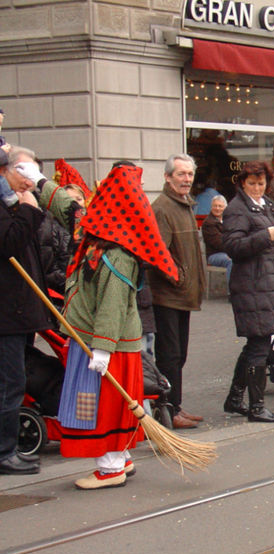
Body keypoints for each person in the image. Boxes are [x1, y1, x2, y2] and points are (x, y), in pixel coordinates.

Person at [57, 165, 180, 488]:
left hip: (105, 345)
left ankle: (110, 465)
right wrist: (40, 184)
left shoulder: (117, 252)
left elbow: (111, 305)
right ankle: (121, 458)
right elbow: (67, 211)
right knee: (104, 404)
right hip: (104, 343)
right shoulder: (101, 242)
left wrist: (102, 347)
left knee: (100, 406)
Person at [221, 161, 274, 423]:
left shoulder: (263, 205)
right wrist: (267, 235)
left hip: (265, 283)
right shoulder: (237, 208)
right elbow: (233, 246)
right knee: (259, 345)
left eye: (261, 183)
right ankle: (257, 406)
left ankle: (237, 398)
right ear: (242, 183)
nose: (258, 188)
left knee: (256, 344)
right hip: (252, 284)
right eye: (252, 183)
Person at [0, 148, 50, 475]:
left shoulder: (11, 203)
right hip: (6, 314)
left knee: (13, 381)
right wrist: (28, 210)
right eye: (22, 170)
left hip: (16, 311)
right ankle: (4, 451)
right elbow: (9, 244)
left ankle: (8, 448)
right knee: (9, 384)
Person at [149, 154, 206, 429]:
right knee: (170, 355)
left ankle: (176, 406)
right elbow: (158, 254)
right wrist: (180, 278)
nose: (186, 179)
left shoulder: (183, 205)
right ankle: (168, 410)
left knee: (178, 354)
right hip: (168, 295)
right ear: (168, 177)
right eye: (181, 174)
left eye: (190, 174)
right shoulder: (162, 208)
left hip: (181, 294)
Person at [202, 195, 232, 282]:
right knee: (232, 261)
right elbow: (219, 243)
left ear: (225, 208)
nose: (217, 208)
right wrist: (233, 251)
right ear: (211, 207)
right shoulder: (209, 223)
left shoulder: (229, 220)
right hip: (214, 255)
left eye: (220, 206)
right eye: (215, 206)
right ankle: (231, 292)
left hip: (228, 251)